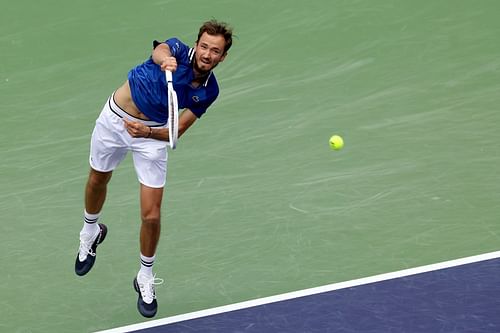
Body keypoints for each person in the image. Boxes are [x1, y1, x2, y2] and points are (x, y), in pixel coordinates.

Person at [74, 19, 233, 318]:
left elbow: (177, 130)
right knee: (98, 179)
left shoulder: (209, 91)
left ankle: (144, 276)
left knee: (152, 215)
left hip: (152, 136)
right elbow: (160, 50)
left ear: (223, 57)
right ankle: (89, 231)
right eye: (204, 46)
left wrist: (145, 133)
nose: (207, 54)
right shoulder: (174, 49)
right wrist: (166, 63)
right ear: (196, 44)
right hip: (115, 119)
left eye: (215, 51)